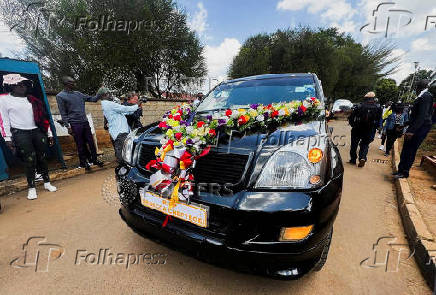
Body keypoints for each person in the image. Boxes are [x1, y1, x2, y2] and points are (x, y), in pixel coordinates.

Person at [0, 74, 57, 200]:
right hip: (20, 133)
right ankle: (32, 187)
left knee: (42, 157)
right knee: (29, 160)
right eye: (19, 84)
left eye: (24, 84)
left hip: (37, 131)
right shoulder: (4, 100)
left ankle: (47, 183)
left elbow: (43, 119)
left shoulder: (32, 100)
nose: (22, 86)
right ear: (11, 86)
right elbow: (3, 120)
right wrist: (7, 138)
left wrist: (49, 134)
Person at [56, 76, 104, 170]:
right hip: (74, 124)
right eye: (72, 82)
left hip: (84, 122)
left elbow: (93, 99)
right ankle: (83, 163)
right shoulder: (60, 96)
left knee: (91, 142)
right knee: (80, 144)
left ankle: (94, 160)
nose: (74, 84)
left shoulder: (78, 94)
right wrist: (68, 126)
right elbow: (63, 112)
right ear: (66, 83)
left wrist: (99, 92)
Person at [394, 80, 435, 179]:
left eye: (416, 86)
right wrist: (404, 125)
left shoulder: (426, 96)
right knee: (406, 149)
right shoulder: (422, 96)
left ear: (420, 86)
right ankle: (400, 170)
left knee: (411, 150)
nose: (415, 89)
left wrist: (412, 131)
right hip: (416, 126)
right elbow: (415, 116)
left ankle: (404, 172)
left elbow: (422, 116)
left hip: (420, 128)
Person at [99, 88, 140, 162]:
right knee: (122, 154)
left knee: (125, 151)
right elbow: (124, 109)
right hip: (119, 133)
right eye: (109, 93)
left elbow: (124, 112)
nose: (111, 95)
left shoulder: (108, 105)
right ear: (104, 95)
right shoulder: (109, 104)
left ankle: (124, 166)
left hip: (121, 132)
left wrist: (134, 108)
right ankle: (122, 168)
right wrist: (137, 106)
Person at [348, 91, 383, 167]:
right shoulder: (378, 107)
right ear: (373, 98)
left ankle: (353, 160)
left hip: (357, 128)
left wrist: (353, 125)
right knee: (365, 144)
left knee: (354, 144)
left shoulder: (359, 106)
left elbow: (351, 117)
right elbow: (379, 119)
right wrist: (376, 127)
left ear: (365, 98)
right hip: (369, 129)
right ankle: (362, 157)